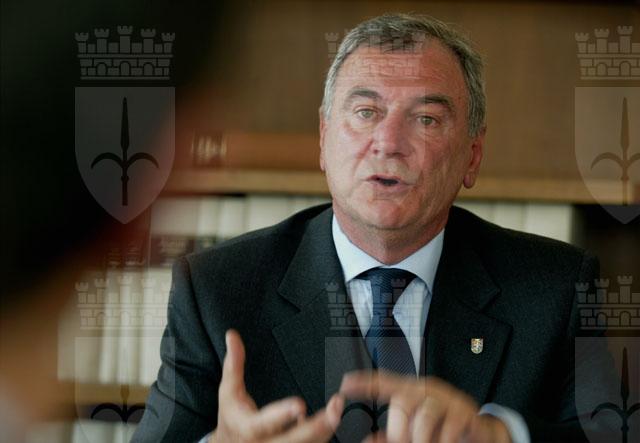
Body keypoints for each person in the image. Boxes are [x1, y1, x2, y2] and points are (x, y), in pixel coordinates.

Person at [133, 13, 604, 443]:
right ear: (323, 139)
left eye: (425, 119)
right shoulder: (217, 290)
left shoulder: (556, 289)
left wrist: (501, 437)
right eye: (365, 112)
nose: (388, 142)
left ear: (472, 157)